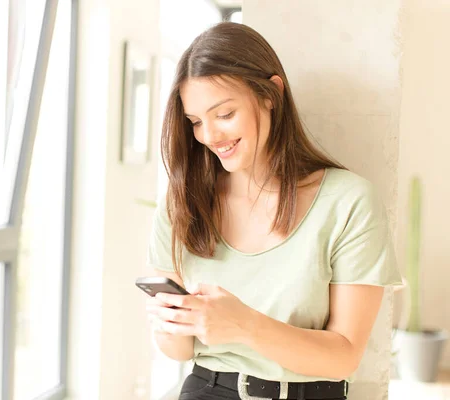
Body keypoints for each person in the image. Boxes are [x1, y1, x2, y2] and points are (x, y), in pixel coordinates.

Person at [145, 22, 403, 400]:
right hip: (206, 389)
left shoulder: (349, 202)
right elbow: (180, 351)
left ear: (271, 94)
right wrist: (170, 325)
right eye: (196, 122)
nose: (210, 136)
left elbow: (344, 356)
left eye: (225, 114)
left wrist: (242, 324)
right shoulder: (183, 201)